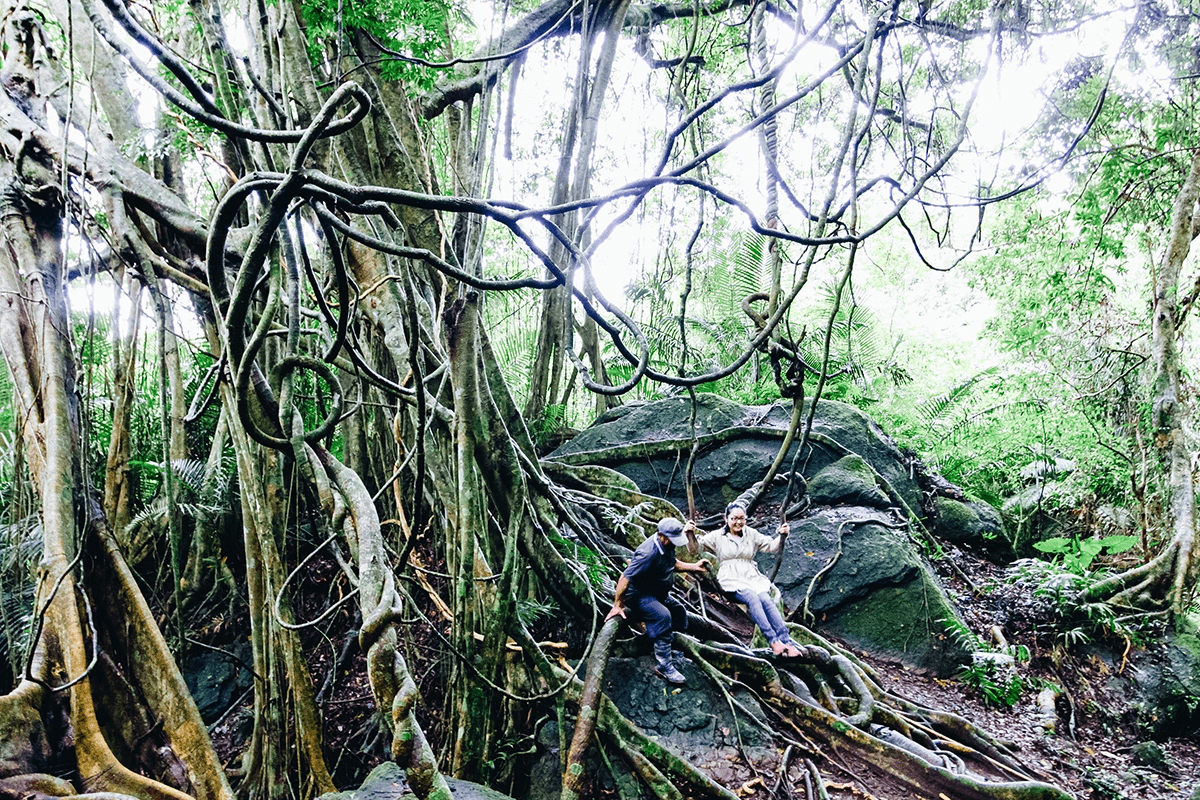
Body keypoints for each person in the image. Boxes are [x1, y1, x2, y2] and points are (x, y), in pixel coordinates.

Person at [606, 517, 709, 685]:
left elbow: (672, 563)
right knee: (662, 616)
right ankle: (664, 665)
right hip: (639, 594)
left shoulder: (667, 545)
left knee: (679, 612)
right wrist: (618, 605)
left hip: (656, 592)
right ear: (662, 535)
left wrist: (694, 567)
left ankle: (662, 643)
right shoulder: (648, 553)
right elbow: (625, 577)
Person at [698, 502, 801, 657]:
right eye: (734, 518)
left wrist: (782, 535)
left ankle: (787, 641)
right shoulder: (717, 536)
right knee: (752, 598)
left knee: (766, 600)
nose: (738, 522)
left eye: (742, 518)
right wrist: (690, 534)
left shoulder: (751, 533)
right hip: (730, 580)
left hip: (751, 577)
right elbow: (695, 548)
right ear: (726, 519)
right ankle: (773, 640)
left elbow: (772, 547)